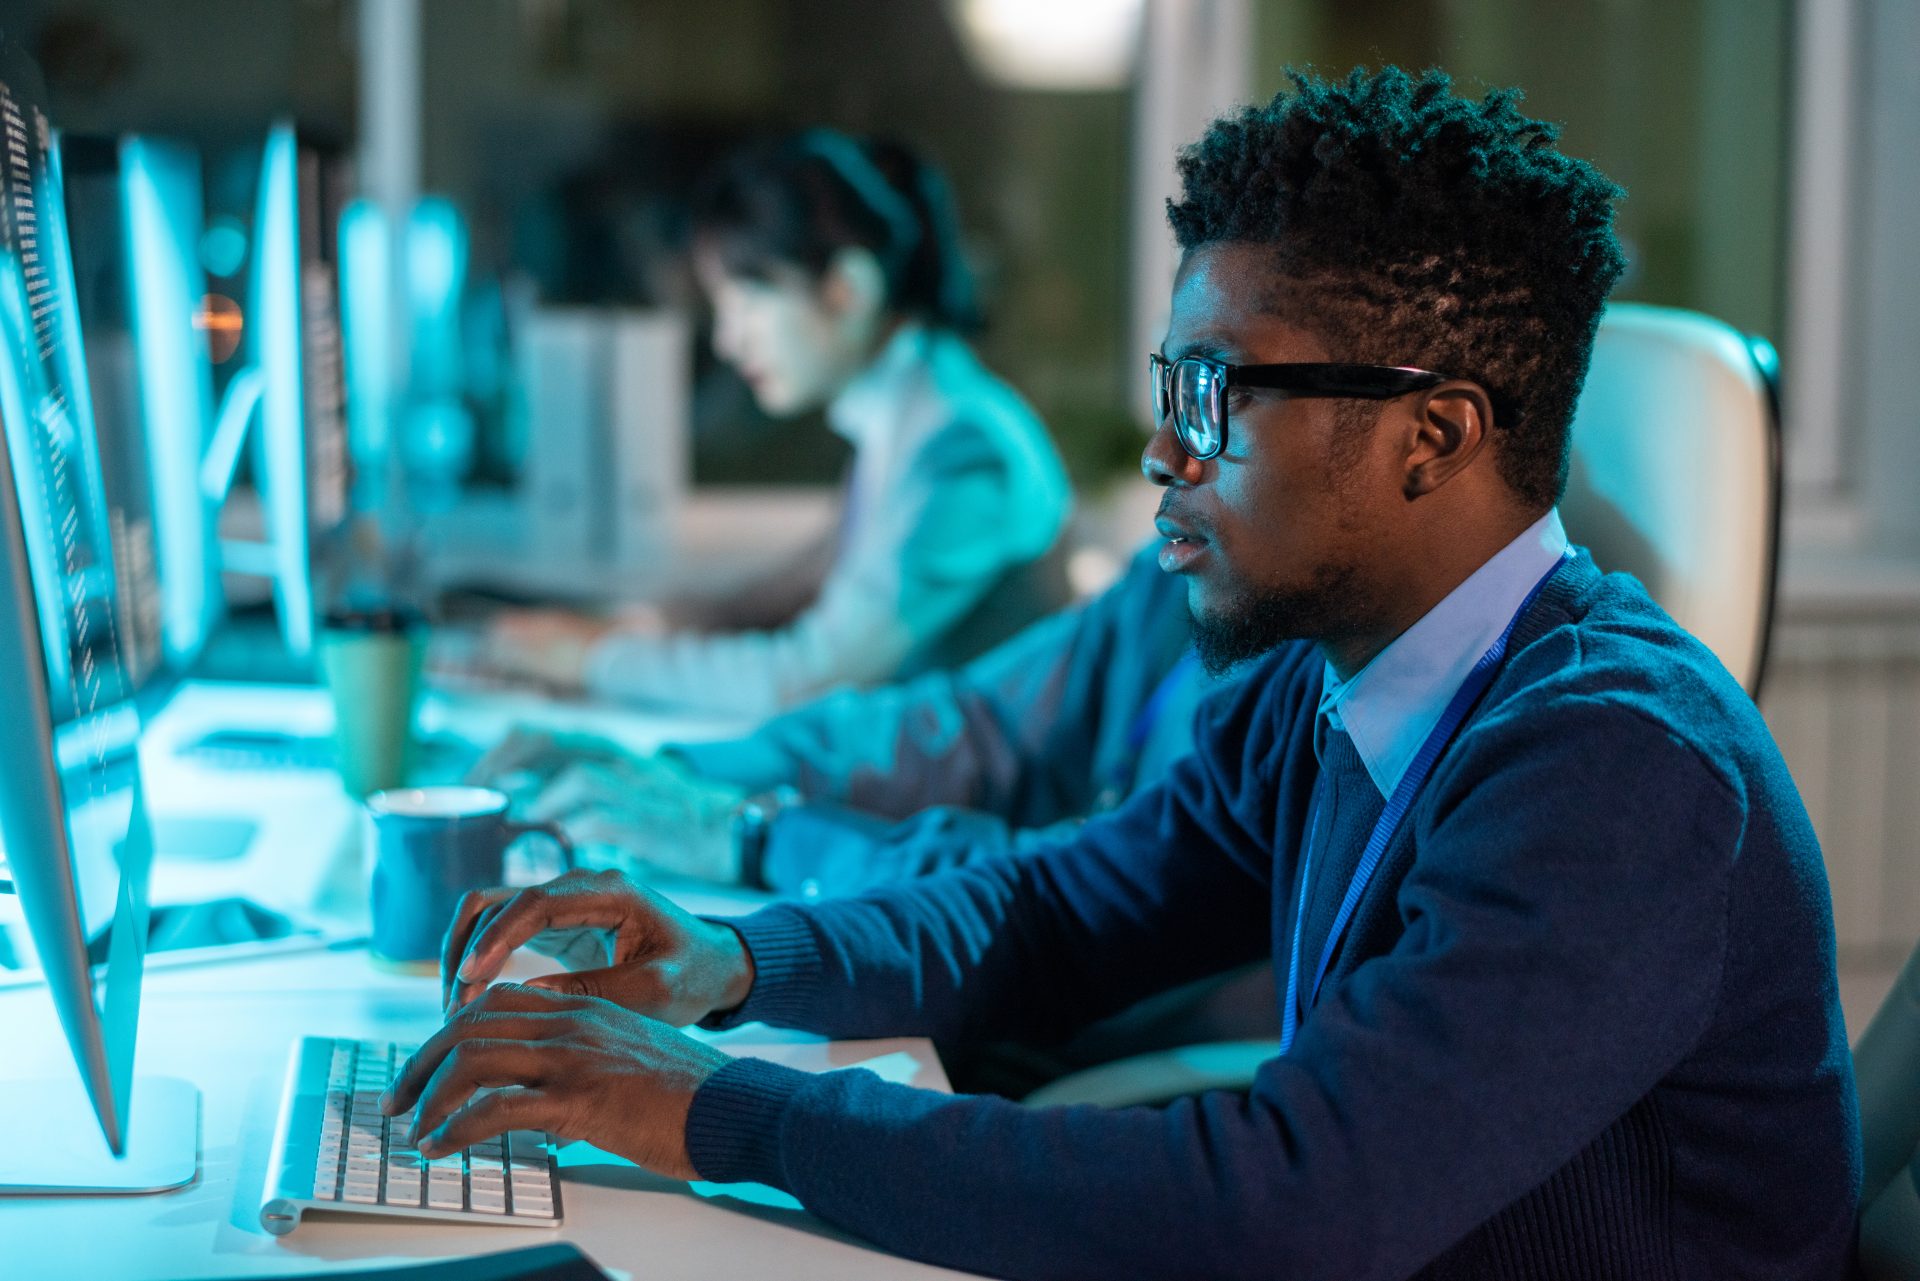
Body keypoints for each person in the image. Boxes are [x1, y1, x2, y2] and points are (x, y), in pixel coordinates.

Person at [383, 69, 1860, 1279]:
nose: (1165, 450)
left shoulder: (1620, 768)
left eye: (1218, 393)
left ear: (1437, 435)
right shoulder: (1331, 684)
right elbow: (1061, 907)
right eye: (1171, 388)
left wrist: (718, 1107)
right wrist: (736, 963)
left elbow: (1293, 1200)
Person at [471, 130, 1072, 719]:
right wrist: (646, 625)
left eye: (746, 302)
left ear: (846, 290)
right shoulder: (914, 417)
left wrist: (595, 658)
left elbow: (806, 678)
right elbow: (801, 585)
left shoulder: (961, 447)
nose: (730, 342)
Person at [471, 541, 1222, 897]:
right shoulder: (1169, 581)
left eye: (1210, 383)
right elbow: (972, 721)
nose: (1164, 451)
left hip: (1067, 1049)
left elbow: (1100, 879)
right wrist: (681, 773)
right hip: (968, 923)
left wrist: (750, 831)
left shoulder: (1294, 680)